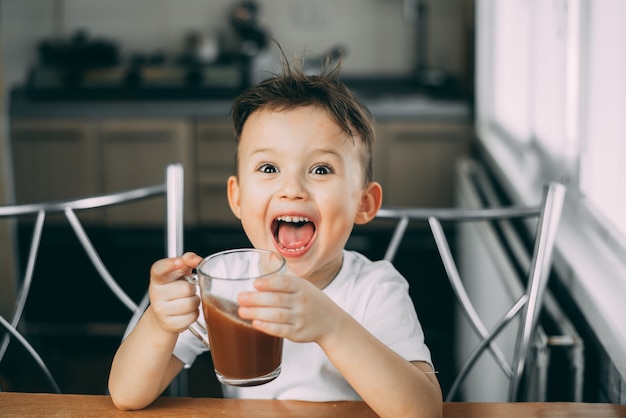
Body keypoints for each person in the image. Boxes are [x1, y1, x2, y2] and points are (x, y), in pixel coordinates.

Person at [108, 51, 443, 418]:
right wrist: (159, 322)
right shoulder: (225, 286)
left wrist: (331, 327)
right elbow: (126, 395)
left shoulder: (375, 290)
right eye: (269, 167)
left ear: (364, 203)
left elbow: (422, 412)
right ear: (236, 197)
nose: (292, 189)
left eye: (320, 169)